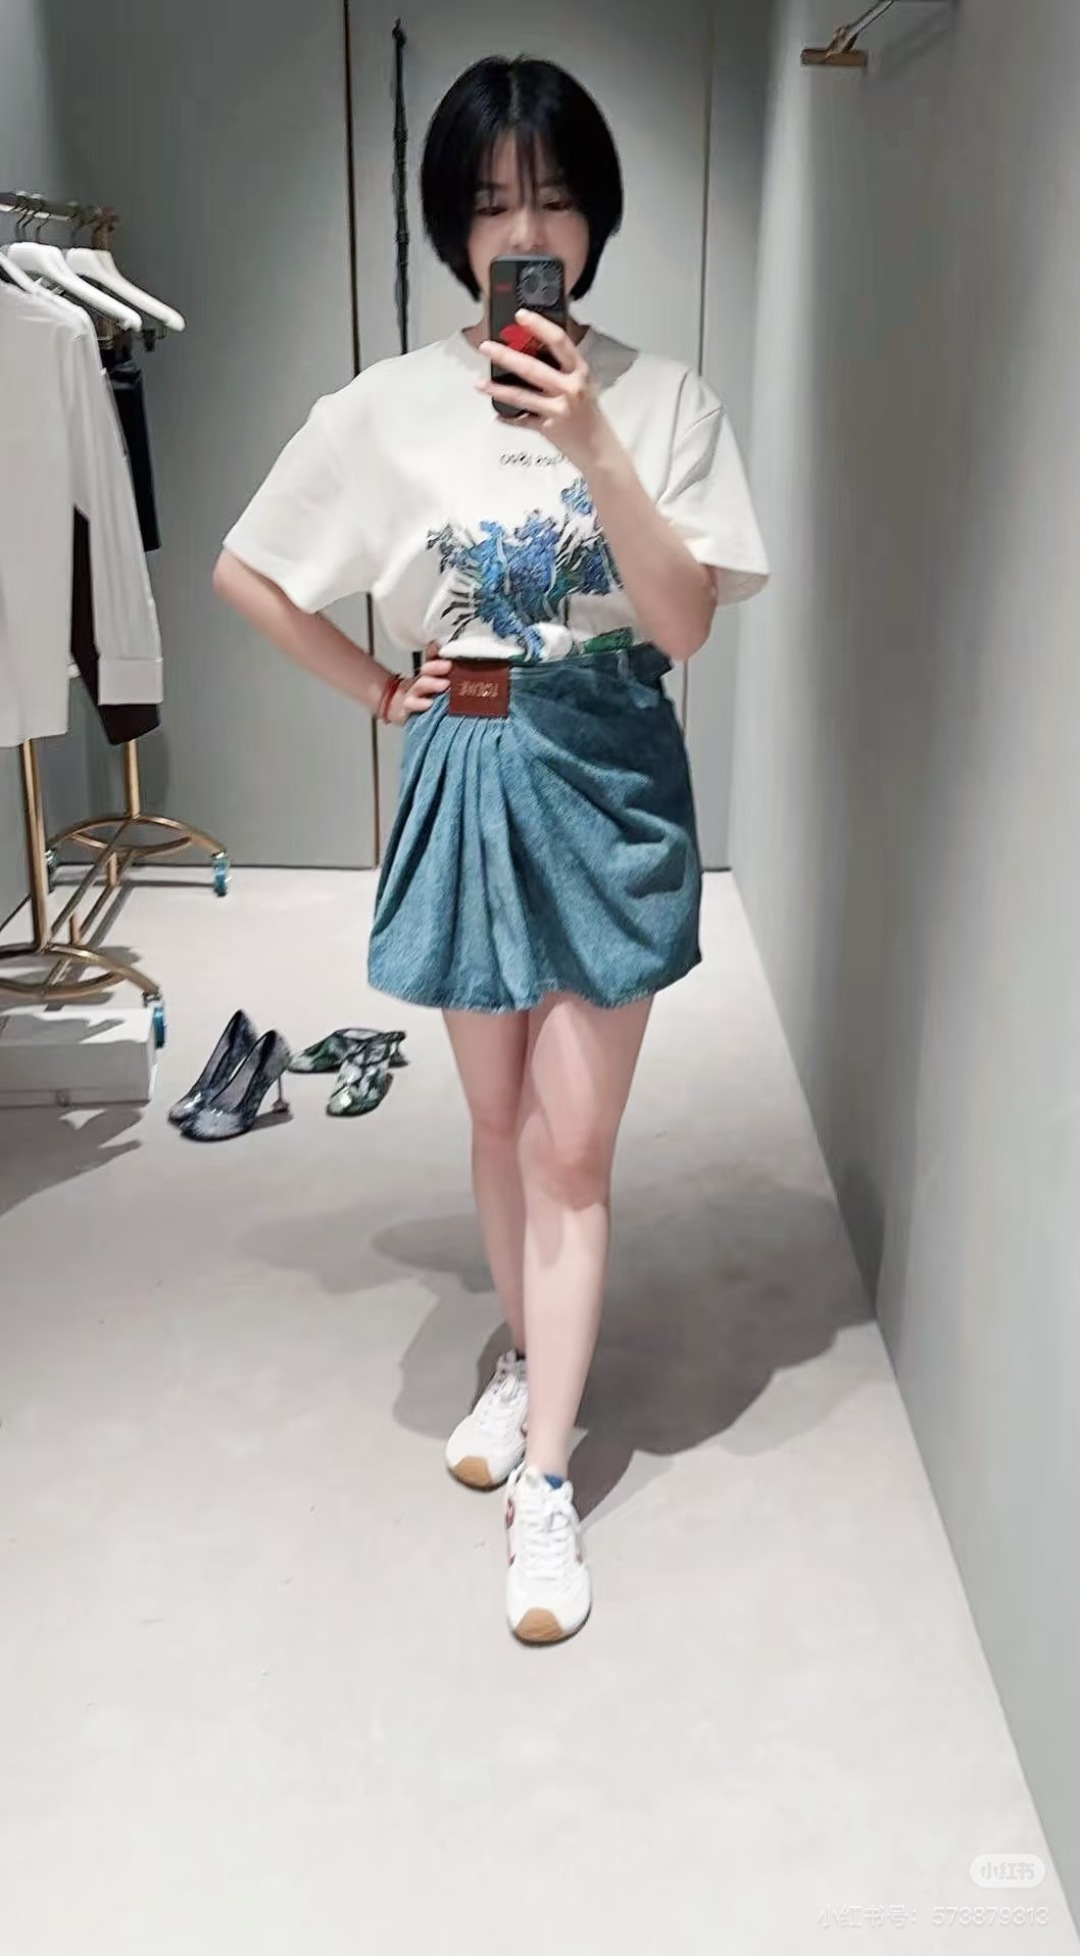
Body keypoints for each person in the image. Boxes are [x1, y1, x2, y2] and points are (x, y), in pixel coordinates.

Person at [213, 54, 768, 1646]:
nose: (526, 232)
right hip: (464, 756)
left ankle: (547, 1482)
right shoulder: (384, 408)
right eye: (490, 203)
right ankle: (530, 1360)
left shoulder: (664, 401)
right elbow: (252, 571)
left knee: (571, 1151)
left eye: (554, 198)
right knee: (495, 1117)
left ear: (599, 213)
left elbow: (682, 626)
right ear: (450, 226)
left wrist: (594, 444)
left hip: (613, 770)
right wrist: (376, 686)